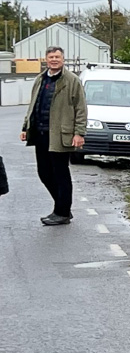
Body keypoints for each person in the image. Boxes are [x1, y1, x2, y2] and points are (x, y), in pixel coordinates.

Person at [19, 46, 87, 225]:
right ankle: (62, 206)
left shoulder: (72, 81)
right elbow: (33, 104)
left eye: (57, 57)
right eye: (51, 57)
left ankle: (62, 212)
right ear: (46, 59)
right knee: (44, 172)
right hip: (41, 133)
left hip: (60, 134)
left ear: (63, 59)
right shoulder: (40, 79)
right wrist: (26, 127)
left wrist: (79, 133)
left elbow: (81, 108)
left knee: (60, 172)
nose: (54, 60)